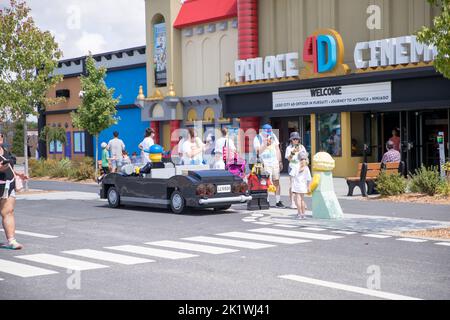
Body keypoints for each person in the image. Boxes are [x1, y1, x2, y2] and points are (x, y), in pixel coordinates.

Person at [0, 132, 28, 250]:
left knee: (8, 212)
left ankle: (11, 240)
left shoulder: (5, 151)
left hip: (8, 184)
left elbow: (10, 165)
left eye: (1, 135)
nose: (0, 137)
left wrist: (18, 174)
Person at [253, 124, 284, 208]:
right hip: (265, 163)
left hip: (274, 162)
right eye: (267, 132)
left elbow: (277, 149)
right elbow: (258, 152)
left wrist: (279, 161)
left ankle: (278, 201)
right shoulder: (258, 138)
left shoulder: (273, 136)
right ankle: (267, 201)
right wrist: (265, 144)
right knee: (266, 182)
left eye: (269, 132)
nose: (268, 134)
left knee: (276, 181)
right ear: (263, 131)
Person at [285, 132, 308, 209]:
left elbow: (305, 157)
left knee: (301, 184)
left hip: (301, 167)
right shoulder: (289, 148)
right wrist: (294, 151)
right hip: (292, 167)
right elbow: (288, 159)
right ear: (291, 140)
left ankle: (302, 202)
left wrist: (305, 164)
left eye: (297, 139)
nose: (296, 140)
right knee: (292, 185)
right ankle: (292, 202)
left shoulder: (302, 147)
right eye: (294, 139)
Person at [291, 152, 311, 219]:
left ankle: (299, 214)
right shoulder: (306, 168)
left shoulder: (296, 165)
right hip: (303, 185)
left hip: (296, 185)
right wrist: (308, 187)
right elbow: (309, 179)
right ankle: (303, 214)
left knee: (298, 199)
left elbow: (292, 175)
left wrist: (291, 184)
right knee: (302, 199)